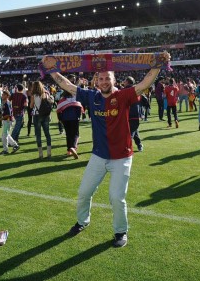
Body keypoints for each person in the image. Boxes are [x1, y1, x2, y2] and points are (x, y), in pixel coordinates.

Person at [46, 51, 170, 249]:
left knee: (116, 197)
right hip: (98, 156)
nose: (104, 81)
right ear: (97, 81)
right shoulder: (90, 96)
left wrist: (157, 65)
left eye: (108, 78)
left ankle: (121, 232)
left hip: (122, 157)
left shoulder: (123, 96)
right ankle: (82, 222)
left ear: (114, 80)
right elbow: (67, 85)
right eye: (101, 78)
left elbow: (144, 84)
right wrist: (52, 71)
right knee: (84, 192)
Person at [29, 80, 54, 159]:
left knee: (38, 135)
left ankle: (41, 155)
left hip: (37, 115)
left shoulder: (33, 95)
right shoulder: (46, 93)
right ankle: (49, 153)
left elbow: (31, 106)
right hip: (45, 115)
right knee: (47, 134)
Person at [56, 89, 83, 159]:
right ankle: (73, 147)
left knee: (68, 134)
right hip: (74, 118)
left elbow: (58, 110)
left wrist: (60, 119)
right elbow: (79, 109)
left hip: (65, 119)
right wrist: (79, 117)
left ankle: (69, 150)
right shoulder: (76, 99)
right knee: (75, 134)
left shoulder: (62, 100)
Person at [123, 76, 144, 152]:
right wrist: (142, 111)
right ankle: (139, 145)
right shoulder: (137, 90)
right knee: (134, 130)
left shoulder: (124, 90)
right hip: (135, 115)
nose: (123, 82)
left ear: (127, 82)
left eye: (125, 81)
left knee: (130, 132)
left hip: (129, 114)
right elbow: (144, 100)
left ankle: (126, 148)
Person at [0, 89, 19, 155]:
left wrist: (2, 118)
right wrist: (1, 115)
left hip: (8, 121)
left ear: (7, 96)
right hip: (7, 120)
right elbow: (5, 112)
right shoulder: (4, 102)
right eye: (2, 94)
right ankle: (15, 145)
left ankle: (5, 150)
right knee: (6, 134)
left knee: (4, 135)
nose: (2, 95)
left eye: (4, 95)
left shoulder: (7, 103)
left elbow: (8, 114)